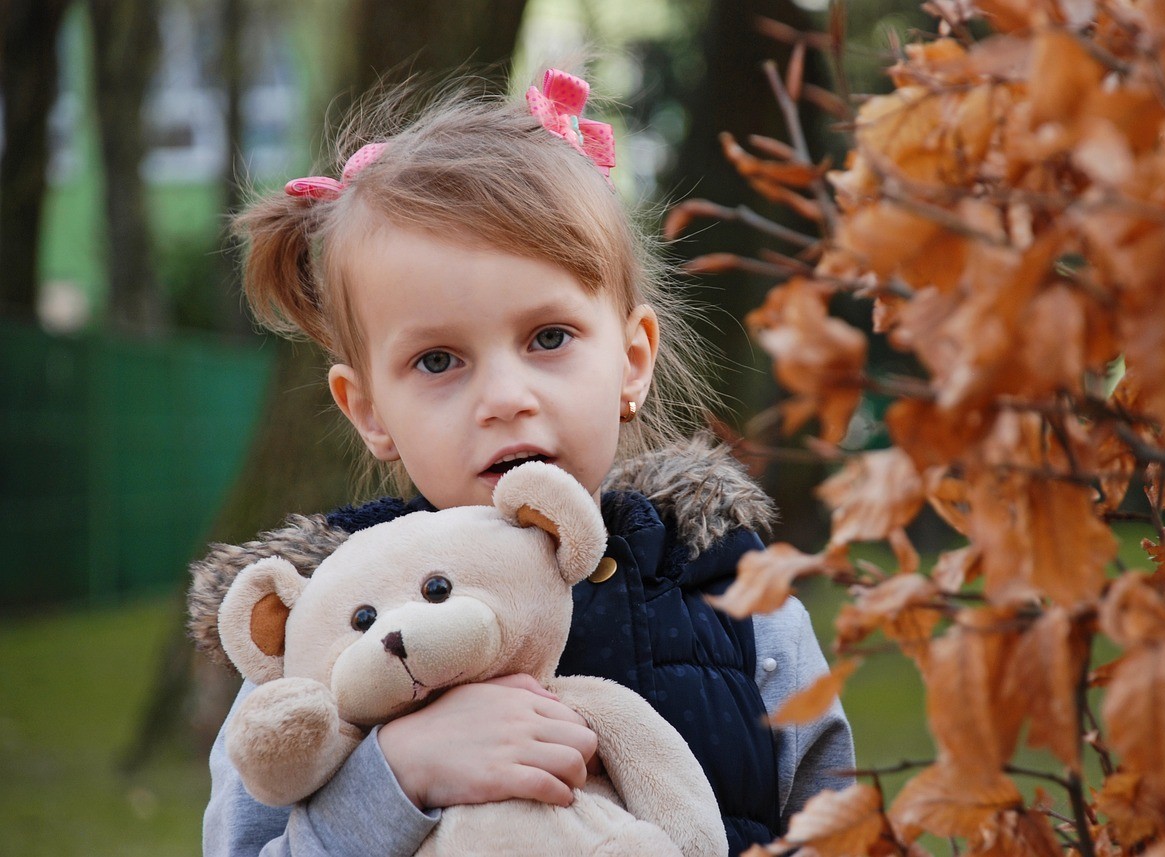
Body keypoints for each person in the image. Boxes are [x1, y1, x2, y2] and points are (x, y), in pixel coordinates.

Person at [196, 69, 854, 856]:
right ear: (369, 409)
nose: (505, 397)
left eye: (548, 337)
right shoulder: (318, 631)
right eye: (439, 360)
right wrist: (395, 775)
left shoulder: (739, 596)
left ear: (633, 359)